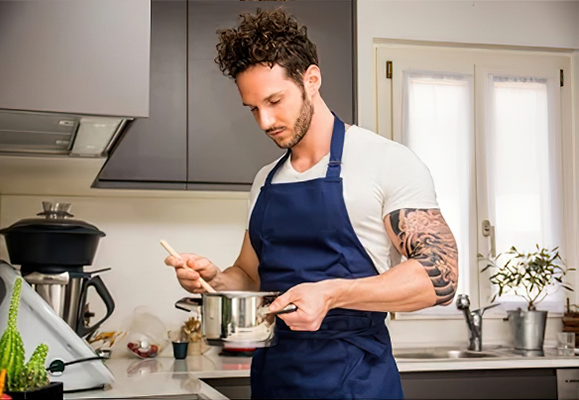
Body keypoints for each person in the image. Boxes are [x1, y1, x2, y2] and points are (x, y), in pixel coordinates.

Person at [165, 8, 458, 399]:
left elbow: (440, 277)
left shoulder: (386, 161)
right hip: (275, 379)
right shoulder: (265, 180)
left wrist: (333, 294)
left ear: (312, 80)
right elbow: (250, 274)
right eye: (253, 108)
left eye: (275, 100)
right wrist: (214, 280)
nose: (265, 121)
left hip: (357, 381)